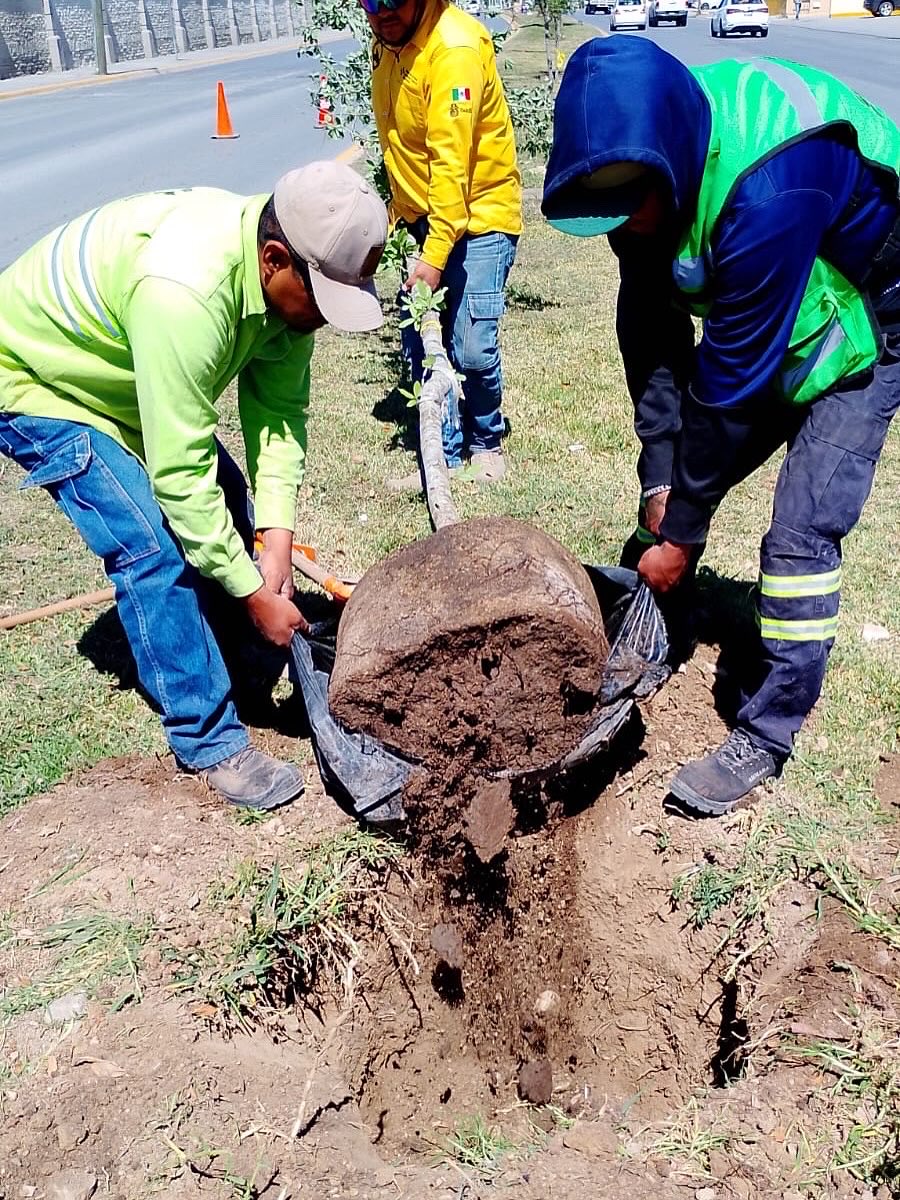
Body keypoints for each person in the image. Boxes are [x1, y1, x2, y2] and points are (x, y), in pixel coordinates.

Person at [542, 37, 900, 816]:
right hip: (787, 310)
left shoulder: (766, 182)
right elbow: (654, 331)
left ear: (667, 164)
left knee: (800, 540)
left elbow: (731, 384)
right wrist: (662, 480)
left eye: (632, 210)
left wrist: (685, 529)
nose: (626, 227)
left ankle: (768, 731)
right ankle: (653, 627)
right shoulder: (641, 160)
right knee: (676, 496)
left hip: (872, 321)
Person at [0, 162, 388, 811]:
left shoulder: (287, 300)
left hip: (129, 374)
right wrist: (251, 591)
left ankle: (232, 649)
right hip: (36, 377)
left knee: (232, 507)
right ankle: (208, 738)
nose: (324, 318)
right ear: (274, 260)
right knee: (150, 542)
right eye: (322, 299)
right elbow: (179, 480)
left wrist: (275, 539)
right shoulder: (186, 290)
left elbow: (279, 421)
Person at [362, 0, 523, 486]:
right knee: (425, 345)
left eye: (392, 0)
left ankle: (486, 441)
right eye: (370, 1)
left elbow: (451, 167)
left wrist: (433, 258)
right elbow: (398, 146)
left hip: (479, 221)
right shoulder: (389, 42)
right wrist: (397, 222)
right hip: (419, 220)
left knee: (471, 346)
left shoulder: (452, 49)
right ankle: (445, 457)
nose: (380, 11)